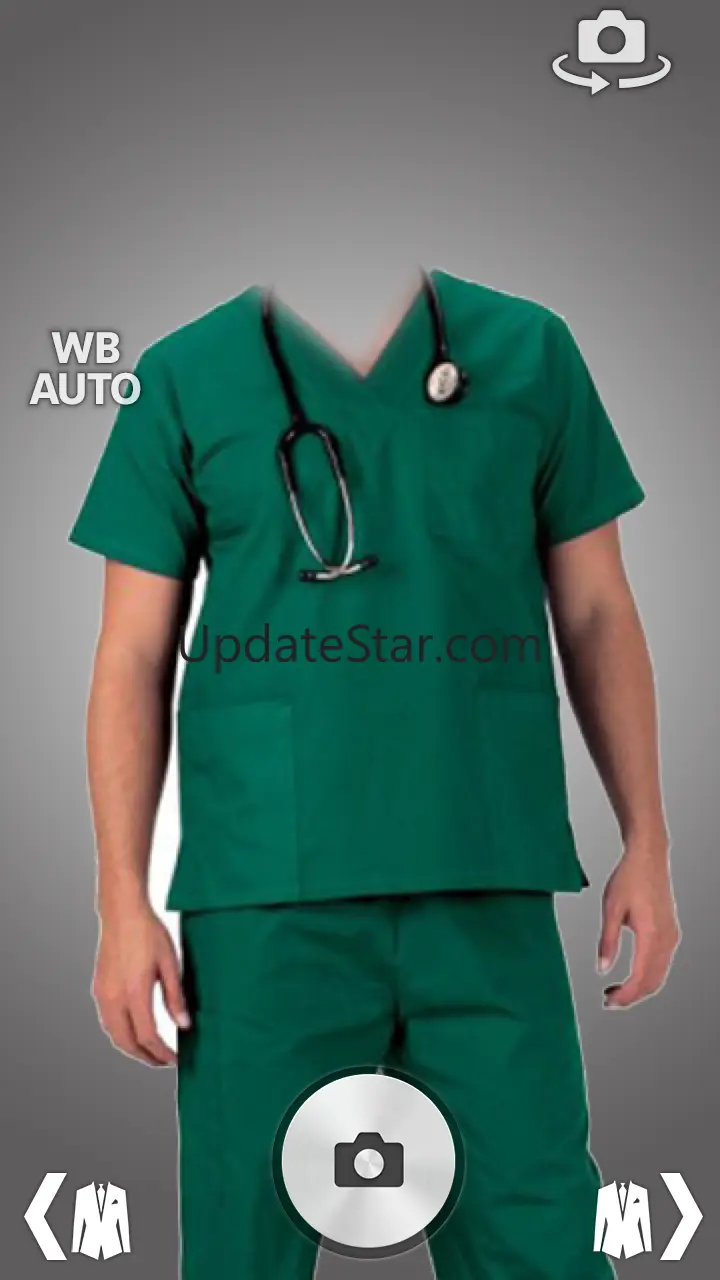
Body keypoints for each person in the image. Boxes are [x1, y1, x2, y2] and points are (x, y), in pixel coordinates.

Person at [69, 264, 680, 1279]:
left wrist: (648, 842)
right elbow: (131, 651)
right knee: (241, 1245)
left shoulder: (528, 349)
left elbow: (597, 610)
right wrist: (120, 902)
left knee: (540, 1236)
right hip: (266, 892)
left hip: (482, 872)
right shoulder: (185, 373)